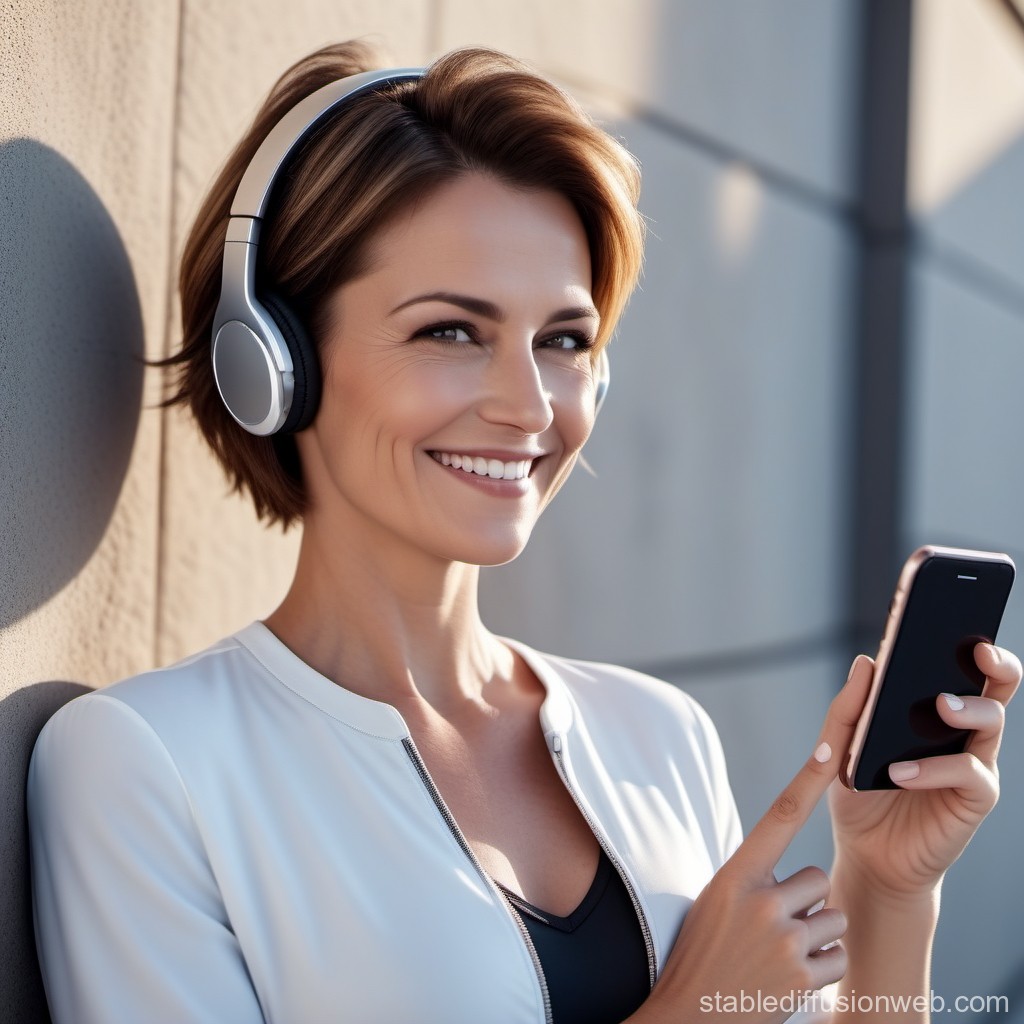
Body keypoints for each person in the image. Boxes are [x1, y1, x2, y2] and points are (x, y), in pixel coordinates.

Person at [27, 41, 1020, 1024]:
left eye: (563, 341)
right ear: (274, 358)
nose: (530, 405)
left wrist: (888, 889)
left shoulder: (658, 733)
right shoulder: (148, 764)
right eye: (451, 331)